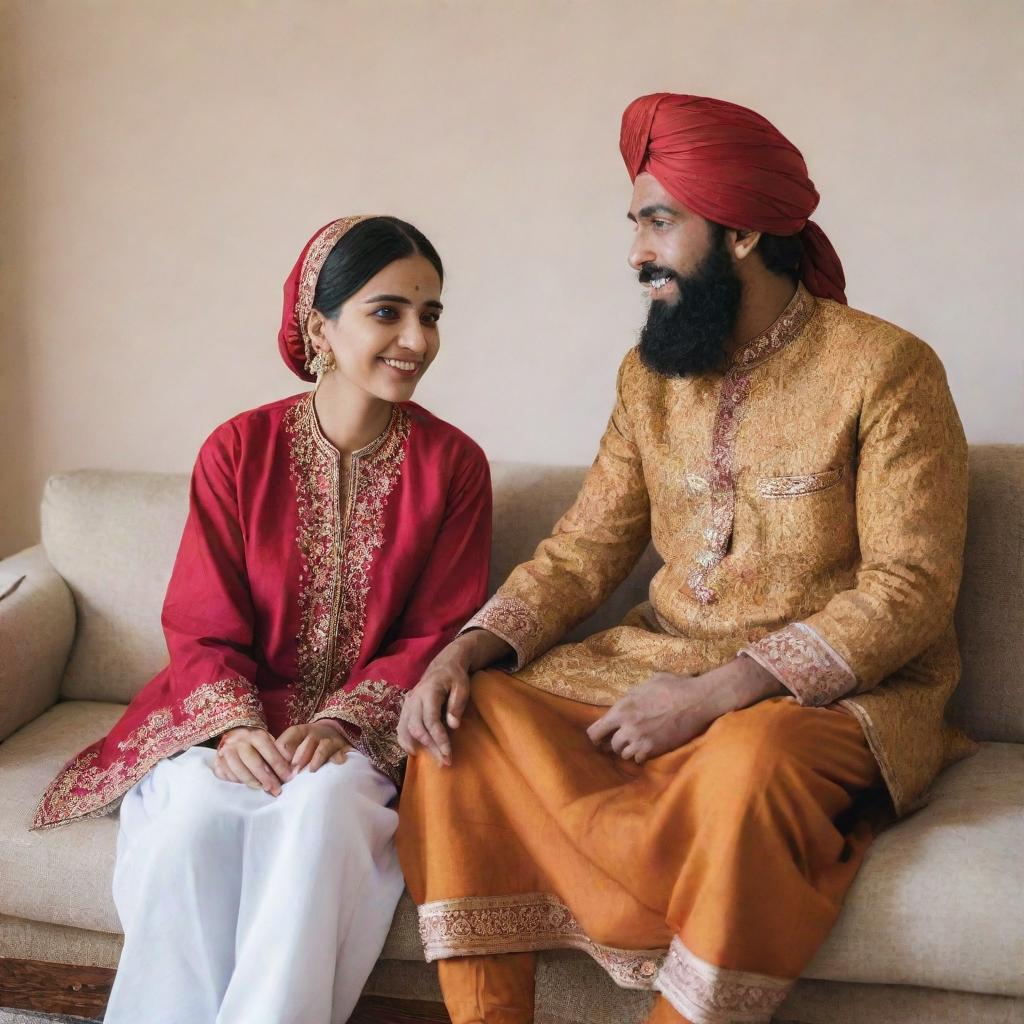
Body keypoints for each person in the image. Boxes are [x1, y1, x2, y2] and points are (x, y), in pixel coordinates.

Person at [396, 94, 970, 1024]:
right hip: (660, 665)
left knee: (750, 759)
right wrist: (466, 651)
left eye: (658, 222)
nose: (635, 255)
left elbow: (911, 591)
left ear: (741, 230)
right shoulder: (645, 379)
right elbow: (586, 546)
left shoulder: (887, 370)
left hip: (823, 699)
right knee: (464, 724)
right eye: (634, 225)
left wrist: (718, 694)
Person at [34, 215, 492, 1024]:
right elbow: (202, 618)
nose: (416, 338)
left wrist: (348, 722)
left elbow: (438, 628)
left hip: (362, 732)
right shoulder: (239, 449)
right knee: (199, 818)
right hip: (228, 716)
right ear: (321, 324)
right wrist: (234, 728)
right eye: (388, 312)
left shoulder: (454, 465)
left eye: (431, 314)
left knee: (321, 814)